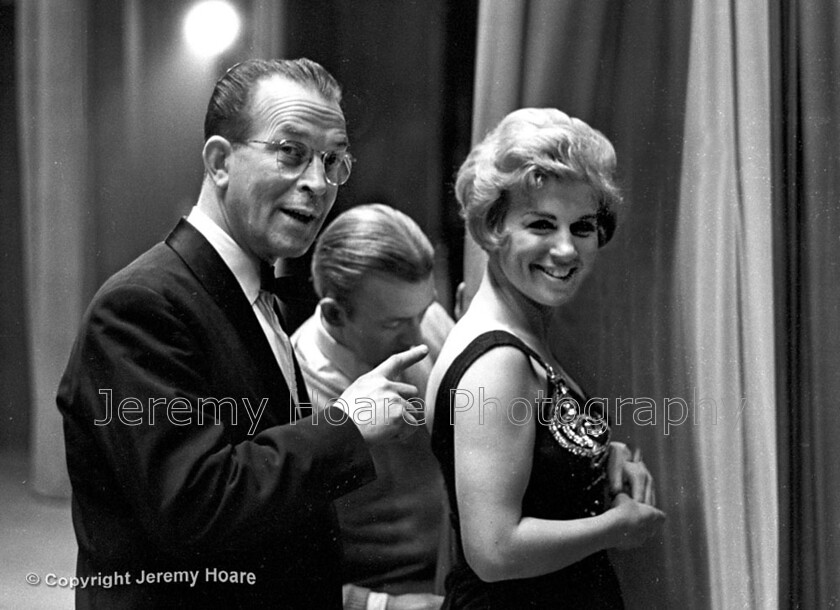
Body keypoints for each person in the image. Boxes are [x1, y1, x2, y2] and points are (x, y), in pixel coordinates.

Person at [55, 58, 428, 609]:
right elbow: (195, 504)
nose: (318, 183)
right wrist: (347, 425)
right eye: (291, 153)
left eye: (332, 161)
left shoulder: (255, 288)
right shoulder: (140, 305)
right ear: (220, 161)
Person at [425, 108, 666, 608]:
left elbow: (528, 460)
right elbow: (494, 550)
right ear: (492, 228)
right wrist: (615, 527)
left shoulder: (517, 331)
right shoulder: (497, 363)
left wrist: (598, 460)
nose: (565, 250)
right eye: (541, 224)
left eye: (581, 227)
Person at [291, 204, 453, 610]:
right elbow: (275, 572)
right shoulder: (293, 386)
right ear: (334, 314)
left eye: (424, 311)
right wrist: (380, 606)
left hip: (456, 576)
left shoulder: (426, 322)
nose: (419, 339)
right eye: (395, 324)